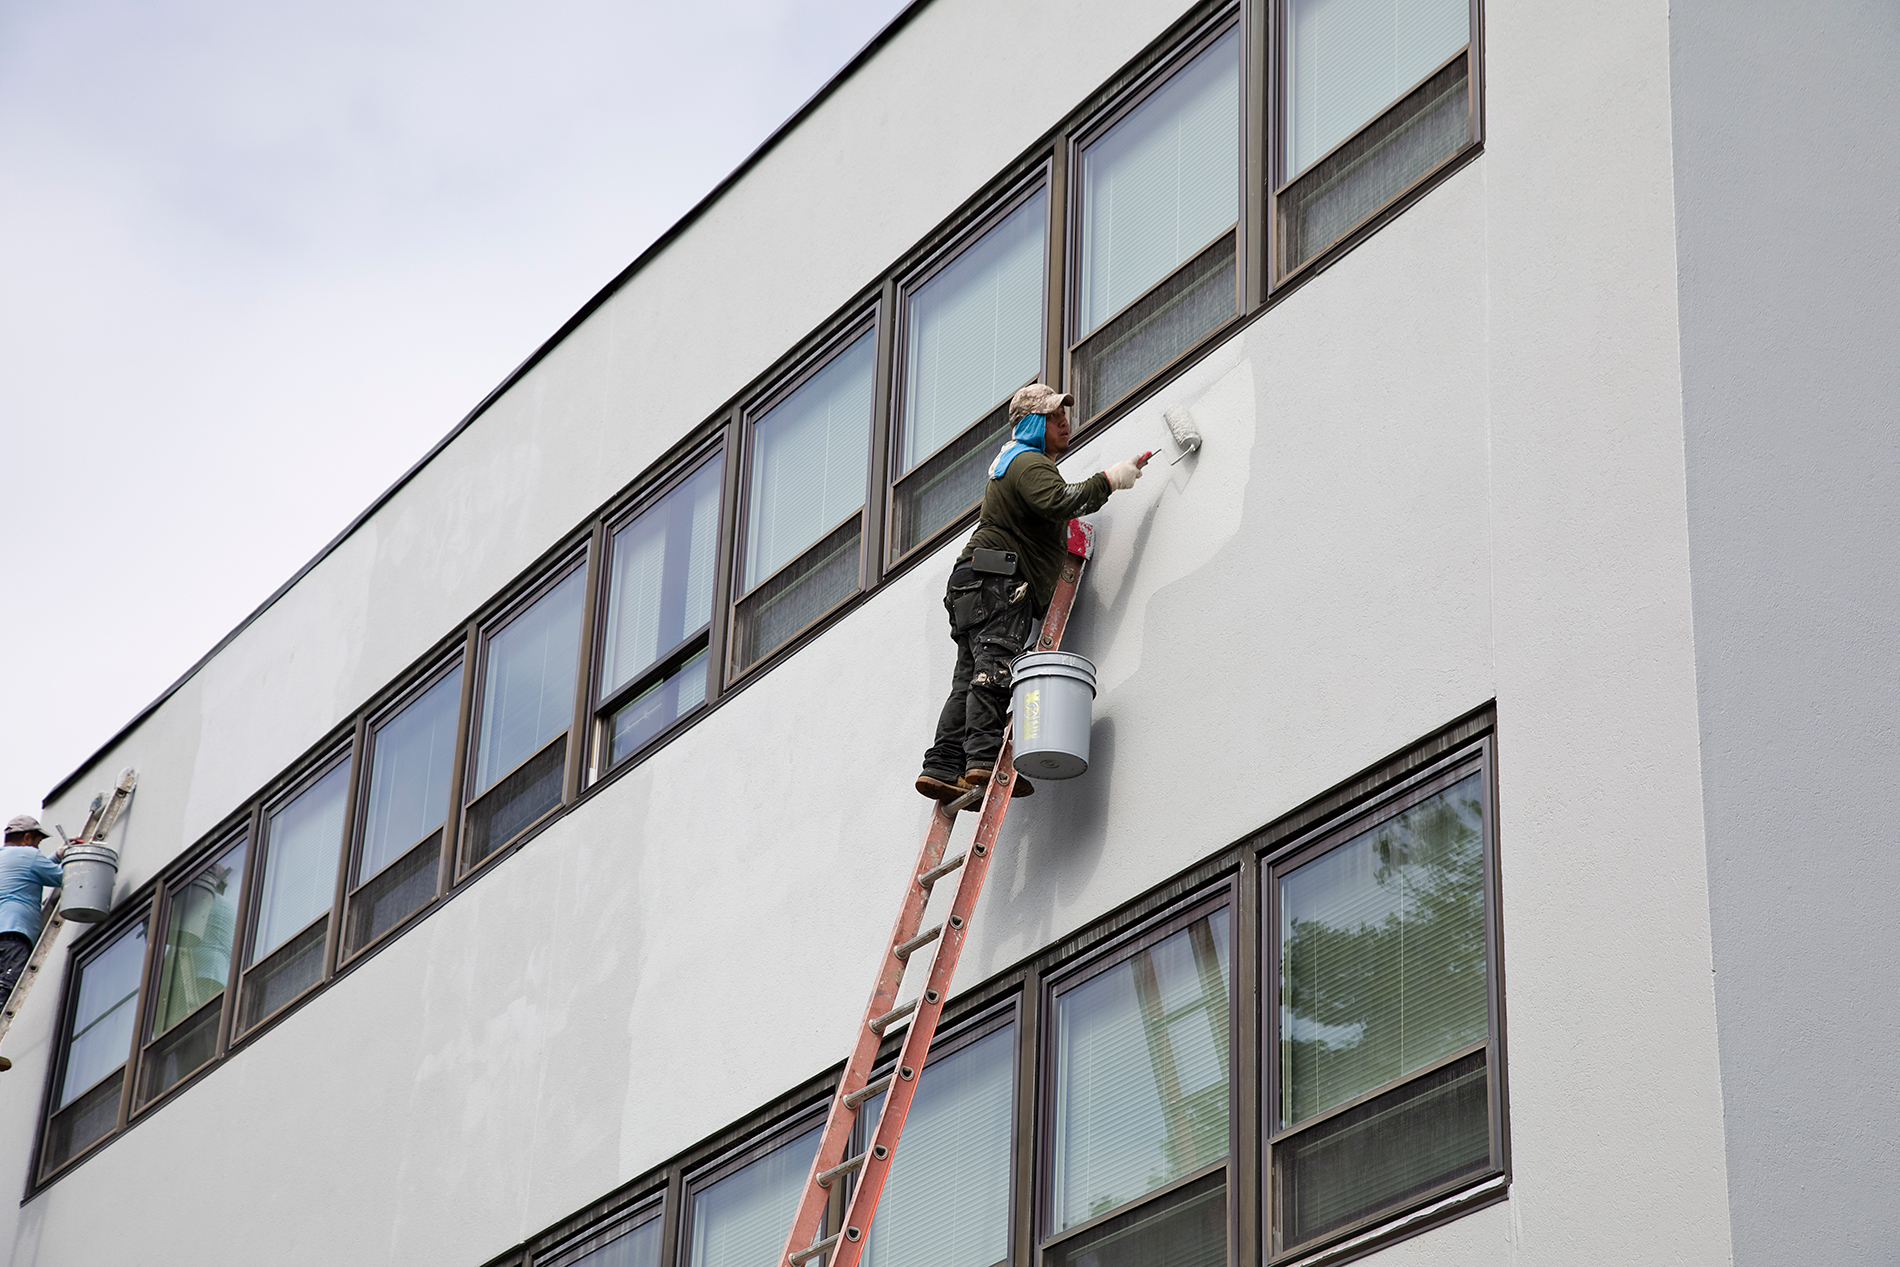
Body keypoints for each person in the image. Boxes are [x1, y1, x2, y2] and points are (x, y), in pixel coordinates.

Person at [916, 383, 1146, 802]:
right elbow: (1059, 501)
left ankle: (943, 765)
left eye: (1065, 414)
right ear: (1032, 424)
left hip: (974, 580)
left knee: (968, 677)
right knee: (996, 667)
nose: (1064, 421)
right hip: (999, 582)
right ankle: (983, 763)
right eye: (1053, 416)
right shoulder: (1028, 462)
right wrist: (1111, 480)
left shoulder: (1011, 463)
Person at [1, 815, 65, 1008]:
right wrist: (74, 855)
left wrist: (57, 856)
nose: (36, 848)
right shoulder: (30, 855)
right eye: (36, 842)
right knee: (7, 987)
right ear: (27, 837)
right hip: (14, 935)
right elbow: (63, 877)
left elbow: (29, 872)